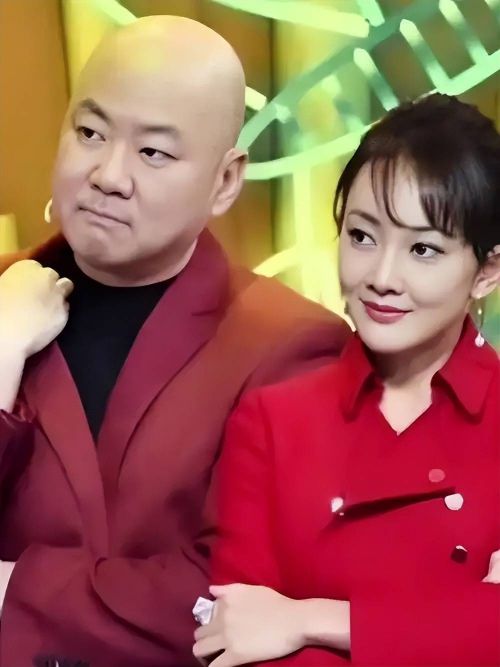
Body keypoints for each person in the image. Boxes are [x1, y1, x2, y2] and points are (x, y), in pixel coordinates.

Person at [0, 15, 350, 667]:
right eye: (89, 132)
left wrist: (15, 592)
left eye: (153, 152)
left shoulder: (291, 345)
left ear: (226, 180)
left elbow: (235, 593)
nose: (108, 174)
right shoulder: (4, 297)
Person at [195, 93, 500, 666]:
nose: (382, 276)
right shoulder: (272, 422)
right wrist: (465, 625)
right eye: (362, 236)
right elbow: (237, 638)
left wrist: (308, 619)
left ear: (487, 271)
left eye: (423, 249)